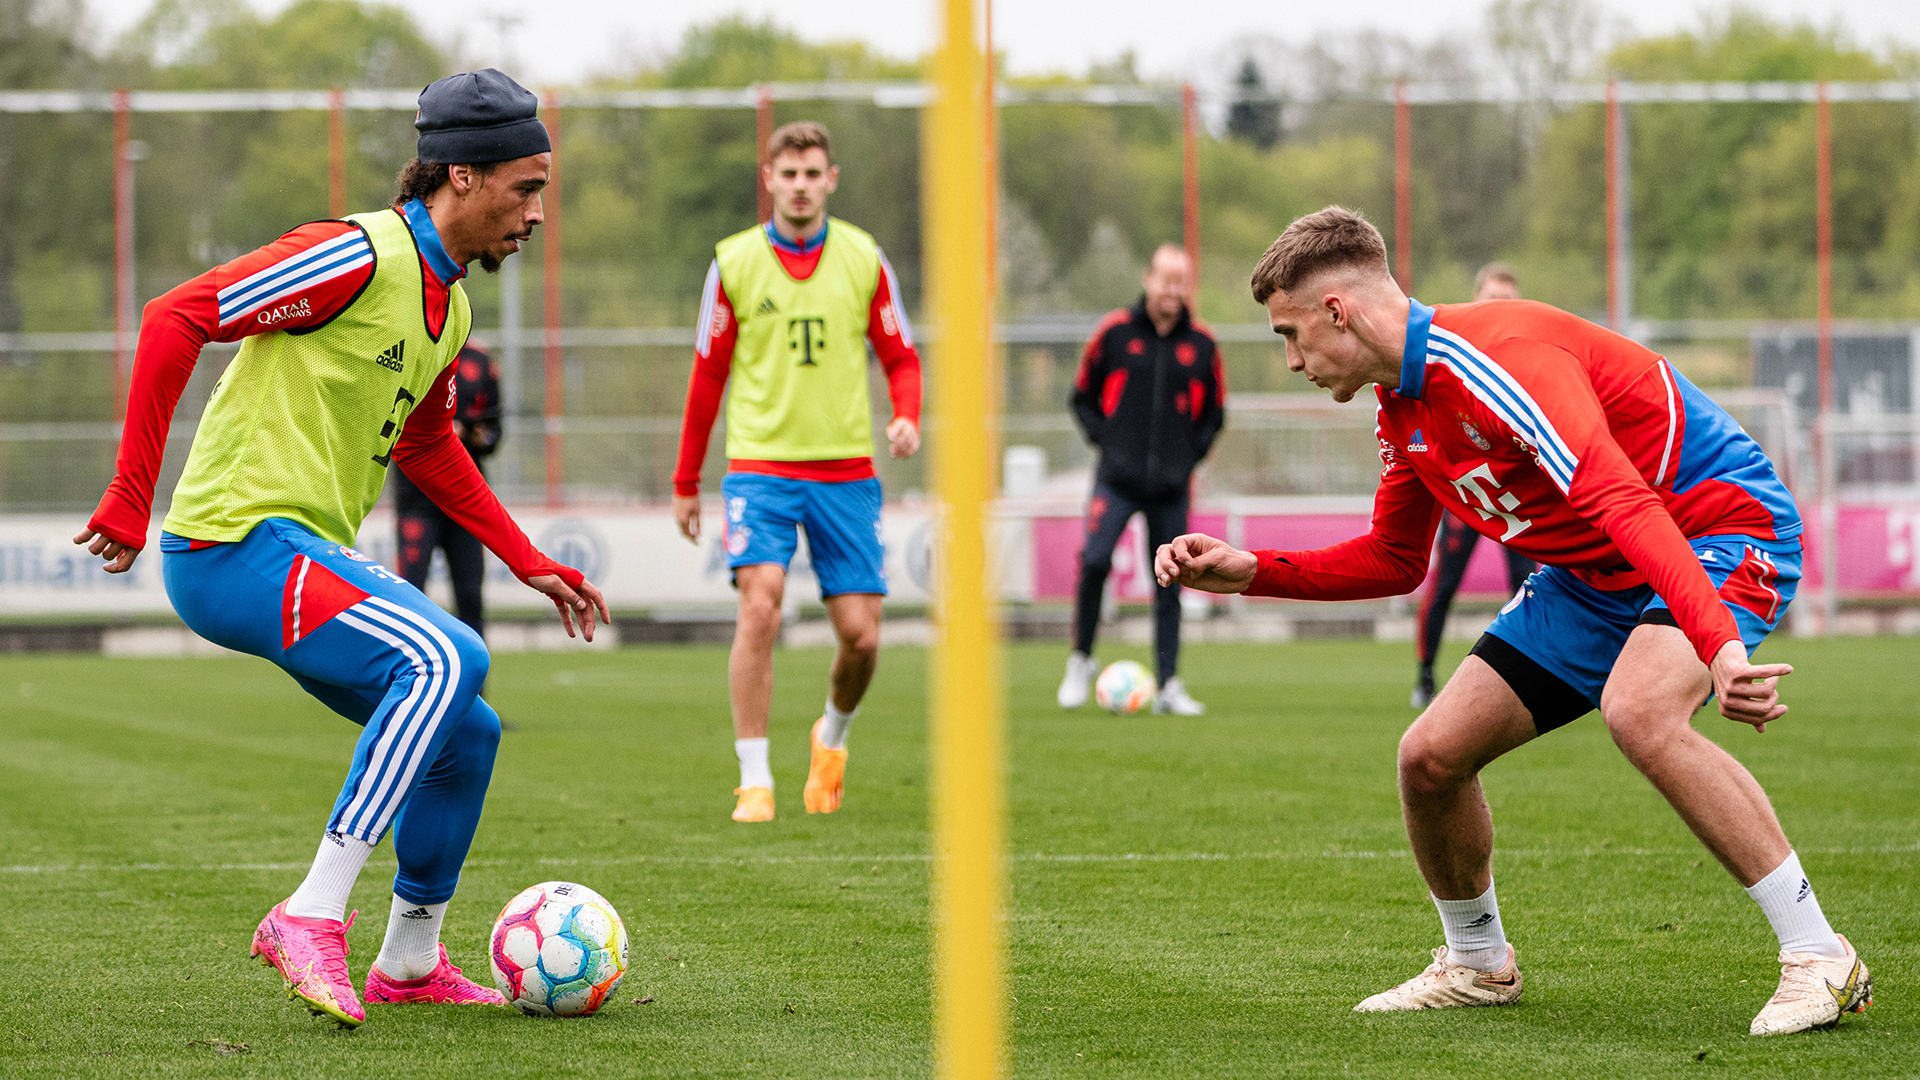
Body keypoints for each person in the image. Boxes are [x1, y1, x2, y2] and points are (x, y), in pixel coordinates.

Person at [1156, 207, 1868, 1036]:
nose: (1291, 360)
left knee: (1638, 711)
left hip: (1716, 527)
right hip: (1594, 571)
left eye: (1291, 334)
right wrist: (1255, 572)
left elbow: (1624, 502)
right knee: (1429, 757)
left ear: (1337, 312)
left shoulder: (1499, 362)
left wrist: (1719, 647)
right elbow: (1397, 559)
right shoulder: (1401, 406)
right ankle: (1476, 963)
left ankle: (1820, 953)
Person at [74, 69, 610, 1027]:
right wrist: (128, 495)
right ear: (457, 176)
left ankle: (409, 958)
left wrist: (524, 555)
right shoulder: (352, 256)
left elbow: (430, 444)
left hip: (292, 550)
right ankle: (310, 913)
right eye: (525, 188)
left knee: (466, 730)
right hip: (233, 542)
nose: (537, 213)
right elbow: (176, 318)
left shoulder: (451, 309)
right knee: (450, 655)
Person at [671, 121, 922, 823]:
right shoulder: (734, 262)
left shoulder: (864, 258)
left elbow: (901, 355)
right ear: (769, 180)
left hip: (846, 471)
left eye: (814, 174)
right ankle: (755, 778)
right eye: (790, 174)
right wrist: (686, 480)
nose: (802, 186)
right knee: (761, 604)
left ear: (831, 180)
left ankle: (830, 739)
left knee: (863, 637)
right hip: (760, 468)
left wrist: (908, 414)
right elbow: (707, 374)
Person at [1056, 245, 1225, 716]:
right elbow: (1081, 397)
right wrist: (1107, 443)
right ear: (1148, 279)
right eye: (1165, 279)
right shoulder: (1114, 333)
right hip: (1117, 479)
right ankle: (1080, 660)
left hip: (1171, 487)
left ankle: (1169, 685)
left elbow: (1215, 414)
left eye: (1181, 281)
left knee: (1171, 579)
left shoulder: (1203, 344)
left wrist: (1188, 457)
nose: (1173, 289)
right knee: (1093, 561)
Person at [1411, 263, 1535, 707]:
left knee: (1528, 586)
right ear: (1475, 300)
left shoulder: (1530, 359)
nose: (1500, 309)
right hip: (1470, 494)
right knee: (1444, 584)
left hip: (1520, 497)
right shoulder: (1455, 356)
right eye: (1492, 299)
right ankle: (1424, 675)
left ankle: (1526, 677)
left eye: (1508, 300)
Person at [394, 339, 502, 636]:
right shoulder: (407, 350)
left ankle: (471, 682)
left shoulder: (480, 361)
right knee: (409, 595)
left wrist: (475, 435)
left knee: (470, 597)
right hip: (416, 498)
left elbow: (495, 431)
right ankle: (408, 676)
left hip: (463, 499)